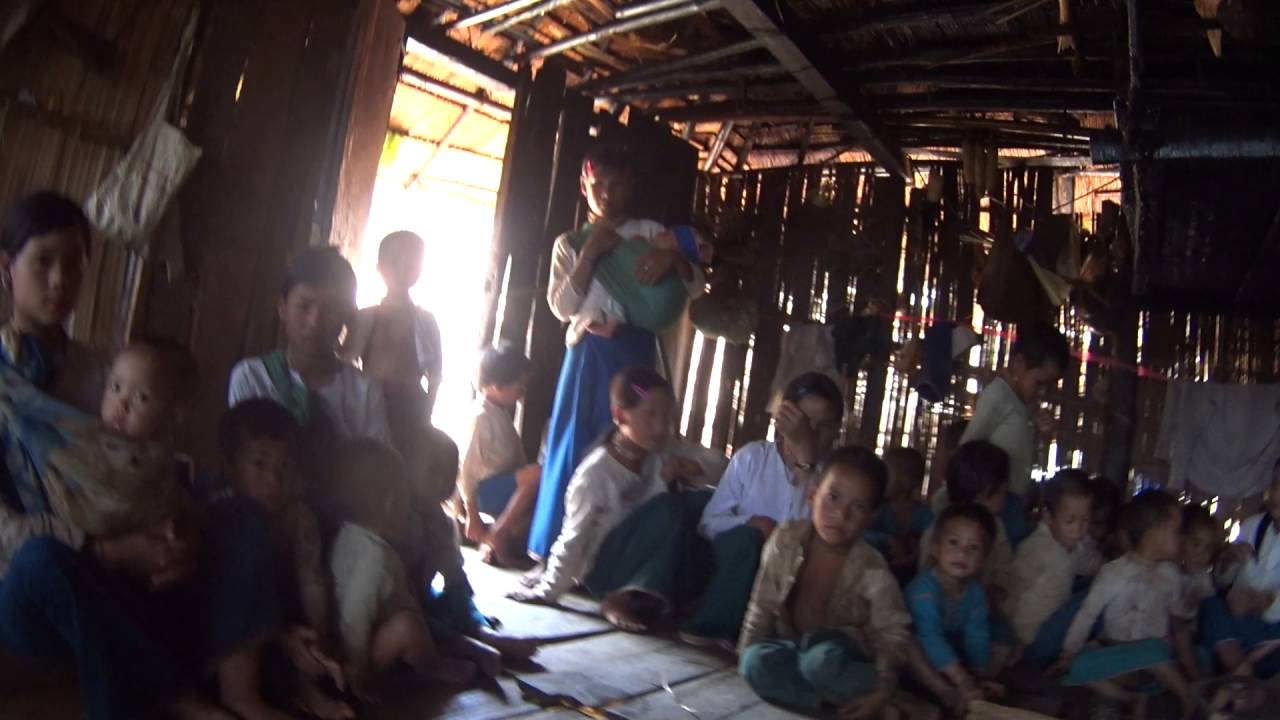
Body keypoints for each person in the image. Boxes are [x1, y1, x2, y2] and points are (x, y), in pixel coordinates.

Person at [0, 192, 251, 720]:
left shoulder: (108, 374)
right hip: (34, 587)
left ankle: (243, 687)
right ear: (6, 268)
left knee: (237, 516)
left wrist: (176, 533)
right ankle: (173, 698)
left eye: (74, 262)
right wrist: (106, 552)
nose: (58, 279)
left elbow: (151, 467)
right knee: (42, 561)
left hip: (125, 574)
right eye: (42, 261)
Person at [529, 143, 703, 560]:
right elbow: (562, 307)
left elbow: (694, 286)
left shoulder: (648, 232)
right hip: (587, 359)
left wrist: (670, 261)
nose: (607, 193)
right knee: (576, 442)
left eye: (618, 185)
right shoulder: (570, 242)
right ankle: (557, 547)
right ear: (584, 186)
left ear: (632, 187)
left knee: (631, 446)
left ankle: (615, 554)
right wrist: (590, 254)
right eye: (599, 184)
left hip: (635, 360)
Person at [510, 367, 709, 633]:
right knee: (670, 508)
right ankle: (617, 599)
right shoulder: (596, 474)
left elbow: (714, 464)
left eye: (667, 417)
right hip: (602, 571)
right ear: (620, 415)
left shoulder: (659, 454)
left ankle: (665, 598)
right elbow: (574, 536)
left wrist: (692, 471)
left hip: (634, 558)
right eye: (649, 415)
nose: (661, 427)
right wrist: (549, 590)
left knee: (700, 501)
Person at [737, 446, 910, 719]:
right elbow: (762, 603)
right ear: (812, 494)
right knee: (755, 662)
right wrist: (746, 660)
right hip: (794, 647)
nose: (841, 516)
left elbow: (893, 633)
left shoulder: (871, 567)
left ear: (871, 517)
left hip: (841, 656)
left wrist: (884, 687)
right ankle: (829, 703)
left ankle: (880, 698)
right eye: (833, 498)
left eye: (858, 507)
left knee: (820, 663)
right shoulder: (785, 541)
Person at [678, 372, 843, 649]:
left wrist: (806, 461)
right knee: (746, 542)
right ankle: (719, 625)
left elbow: (819, 537)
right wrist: (753, 525)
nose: (811, 432)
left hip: (791, 583)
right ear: (784, 419)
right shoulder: (753, 458)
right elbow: (708, 524)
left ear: (838, 429)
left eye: (823, 426)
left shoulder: (835, 475)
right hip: (735, 567)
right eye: (804, 422)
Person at [216, 399, 352, 719]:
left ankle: (307, 692)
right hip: (233, 624)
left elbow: (311, 581)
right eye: (259, 465)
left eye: (284, 467)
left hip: (282, 613)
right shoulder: (221, 514)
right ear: (232, 468)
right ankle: (242, 695)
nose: (274, 479)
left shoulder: (299, 518)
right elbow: (226, 597)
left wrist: (317, 638)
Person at [327, 438, 477, 696]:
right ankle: (433, 665)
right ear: (389, 502)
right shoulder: (374, 557)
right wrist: (357, 669)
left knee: (420, 618)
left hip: (358, 636)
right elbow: (354, 615)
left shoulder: (348, 534)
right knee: (409, 626)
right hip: (358, 650)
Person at [228, 245, 389, 445]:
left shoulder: (364, 391)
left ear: (348, 315)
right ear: (282, 308)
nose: (315, 321)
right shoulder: (252, 377)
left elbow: (374, 467)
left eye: (331, 309)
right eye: (304, 306)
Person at [1056, 489, 1194, 720]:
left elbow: (1178, 615)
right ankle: (1130, 699)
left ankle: (1188, 697)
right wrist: (1068, 652)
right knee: (1078, 666)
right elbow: (1087, 615)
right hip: (1117, 660)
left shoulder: (1171, 576)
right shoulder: (1112, 573)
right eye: (1177, 531)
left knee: (1153, 650)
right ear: (1154, 532)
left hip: (1153, 668)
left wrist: (1190, 608)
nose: (1181, 538)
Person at [960, 322, 1070, 546]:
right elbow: (967, 449)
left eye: (1048, 386)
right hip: (989, 503)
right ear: (1019, 363)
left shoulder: (1022, 404)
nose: (1042, 392)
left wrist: (1039, 430)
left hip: (1011, 502)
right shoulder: (997, 397)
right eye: (1039, 383)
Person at [342, 230, 442, 438]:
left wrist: (426, 416)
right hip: (369, 405)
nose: (402, 270)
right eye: (394, 262)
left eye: (411, 264)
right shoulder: (366, 317)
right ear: (379, 267)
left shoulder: (426, 321)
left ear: (421, 269)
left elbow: (436, 374)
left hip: (412, 407)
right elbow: (346, 364)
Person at [905, 503, 1003, 712]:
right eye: (954, 542)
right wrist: (963, 679)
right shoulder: (923, 591)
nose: (962, 553)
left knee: (997, 644)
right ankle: (946, 693)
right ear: (935, 547)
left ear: (983, 558)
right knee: (910, 647)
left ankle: (969, 691)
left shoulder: (974, 592)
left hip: (949, 657)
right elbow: (930, 638)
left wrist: (978, 675)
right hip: (918, 658)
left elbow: (977, 635)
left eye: (973, 547)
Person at [458, 344, 541, 567]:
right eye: (519, 388)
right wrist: (472, 515)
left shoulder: (499, 413)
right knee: (537, 474)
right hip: (486, 491)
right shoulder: (481, 416)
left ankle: (494, 546)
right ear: (497, 385)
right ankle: (497, 534)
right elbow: (467, 470)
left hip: (505, 485)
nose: (522, 394)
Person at [1005, 469, 1094, 667]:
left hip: (1054, 631)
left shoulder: (1075, 545)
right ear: (1048, 517)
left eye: (1085, 520)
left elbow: (1091, 565)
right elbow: (1012, 593)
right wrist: (1010, 640)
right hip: (1032, 640)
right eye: (1069, 521)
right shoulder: (1034, 549)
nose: (1078, 529)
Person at [1200, 461, 1280, 679]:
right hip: (1243, 624)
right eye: (1275, 482)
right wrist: (1228, 561)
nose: (1276, 491)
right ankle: (1241, 671)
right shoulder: (1252, 526)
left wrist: (1260, 602)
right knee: (1212, 607)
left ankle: (1238, 676)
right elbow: (1224, 580)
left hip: (1275, 628)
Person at [575, 223, 714, 337]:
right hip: (630, 287)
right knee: (613, 297)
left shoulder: (684, 267)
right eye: (669, 232)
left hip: (636, 297)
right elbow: (633, 246)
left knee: (615, 303)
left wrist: (674, 259)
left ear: (678, 251)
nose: (666, 234)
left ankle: (608, 327)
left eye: (672, 240)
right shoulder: (650, 241)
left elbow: (690, 277)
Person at [867, 446, 934, 583]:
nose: (879, 479)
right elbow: (859, 534)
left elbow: (932, 545)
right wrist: (887, 540)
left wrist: (913, 557)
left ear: (906, 481)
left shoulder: (924, 515)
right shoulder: (877, 509)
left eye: (885, 474)